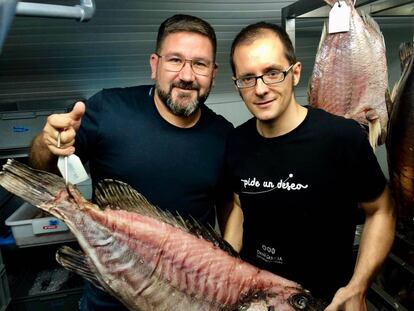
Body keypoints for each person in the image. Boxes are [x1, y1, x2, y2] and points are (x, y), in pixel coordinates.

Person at [29, 14, 233, 311]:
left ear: (213, 73)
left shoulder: (225, 135)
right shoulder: (107, 109)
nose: (187, 76)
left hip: (186, 298)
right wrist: (47, 145)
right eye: (175, 60)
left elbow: (228, 206)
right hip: (108, 295)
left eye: (199, 64)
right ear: (155, 65)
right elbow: (40, 170)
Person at [223, 21, 396, 310]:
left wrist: (358, 288)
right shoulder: (236, 141)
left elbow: (382, 210)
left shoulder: (341, 137)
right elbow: (240, 205)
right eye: (248, 78)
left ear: (295, 73)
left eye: (272, 73)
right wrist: (226, 263)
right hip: (256, 300)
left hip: (324, 302)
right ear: (237, 84)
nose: (261, 88)